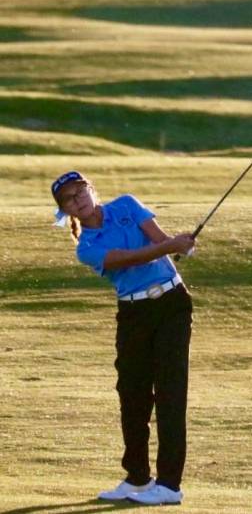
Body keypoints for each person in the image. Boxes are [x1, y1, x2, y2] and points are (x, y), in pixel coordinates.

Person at [51, 170, 195, 506]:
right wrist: (171, 246)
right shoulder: (87, 247)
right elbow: (129, 259)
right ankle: (138, 478)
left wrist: (180, 246)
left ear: (91, 190)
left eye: (81, 191)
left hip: (172, 304)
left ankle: (170, 486)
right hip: (133, 315)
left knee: (171, 392)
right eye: (69, 199)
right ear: (66, 211)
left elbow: (161, 241)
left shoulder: (128, 204)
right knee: (132, 395)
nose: (79, 200)